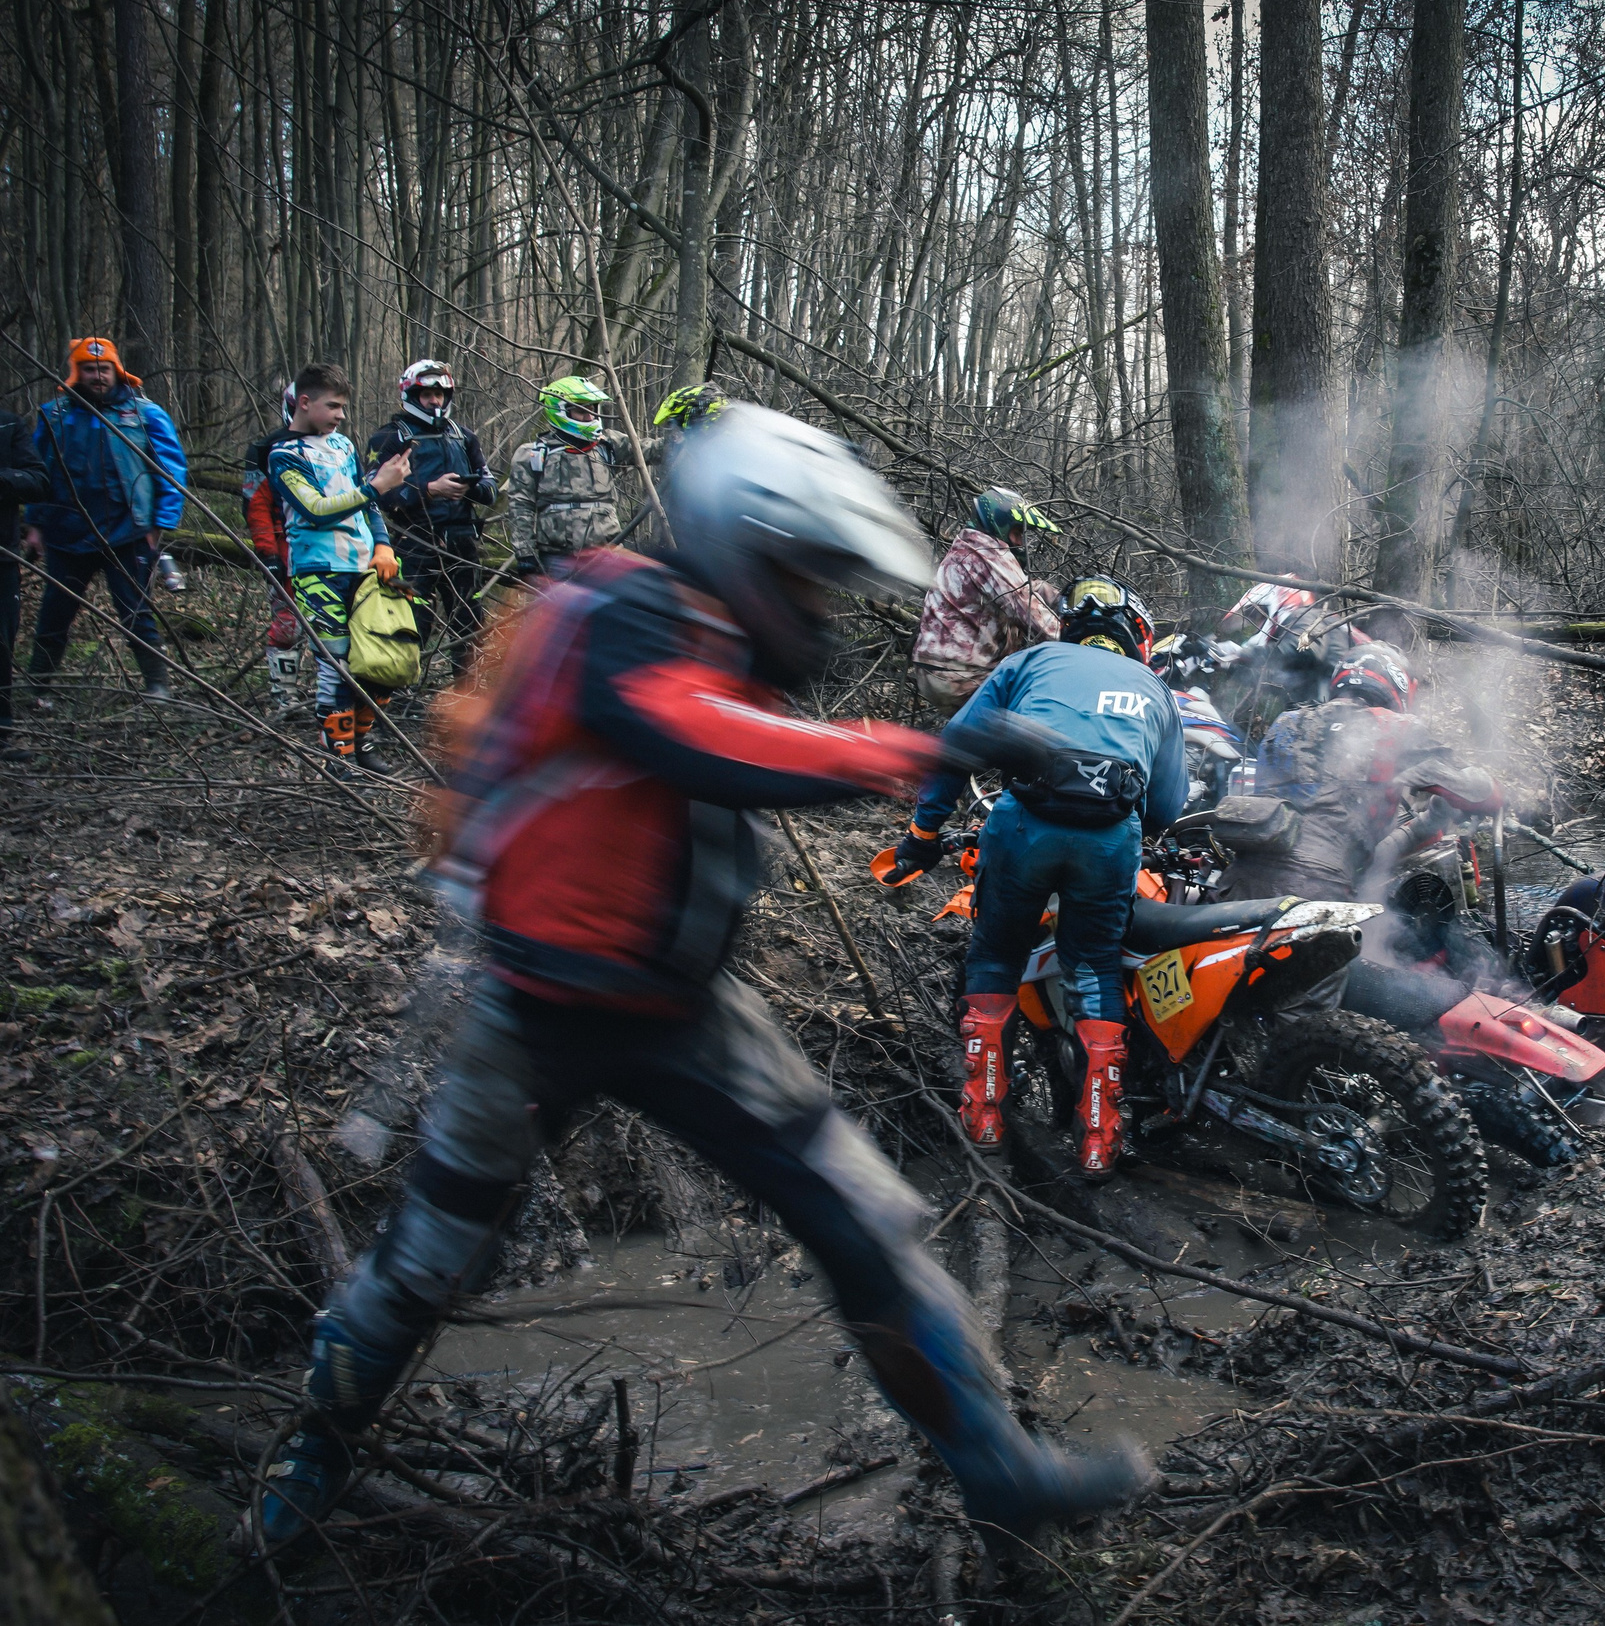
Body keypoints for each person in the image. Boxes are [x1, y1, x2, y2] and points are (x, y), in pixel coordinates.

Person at [256, 406, 1148, 1553]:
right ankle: (310, 1459)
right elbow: (691, 737)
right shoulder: (622, 611)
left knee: (868, 1225)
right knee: (431, 1259)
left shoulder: (706, 632)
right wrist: (938, 749)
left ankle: (996, 1471)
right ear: (742, 543)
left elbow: (722, 734)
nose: (813, 609)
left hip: (679, 1009)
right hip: (536, 1004)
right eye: (804, 578)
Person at [896, 576, 1184, 1171]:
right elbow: (1165, 809)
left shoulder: (1031, 660)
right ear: (1137, 640)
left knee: (996, 955)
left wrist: (923, 834)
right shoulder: (1156, 691)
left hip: (1024, 823)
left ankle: (983, 1114)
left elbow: (959, 742)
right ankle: (1101, 1137)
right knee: (1096, 966)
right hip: (1110, 838)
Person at [1226, 642, 1502, 911]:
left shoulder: (1285, 723)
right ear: (1397, 686)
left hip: (1235, 890)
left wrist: (1428, 822)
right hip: (1316, 897)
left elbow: (1329, 832)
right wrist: (1500, 795)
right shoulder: (1393, 726)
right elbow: (1478, 793)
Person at [24, 338, 186, 703]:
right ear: (77, 373)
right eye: (89, 369)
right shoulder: (54, 415)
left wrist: (159, 525)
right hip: (66, 533)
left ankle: (157, 685)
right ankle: (38, 686)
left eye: (104, 369)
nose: (97, 376)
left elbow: (171, 472)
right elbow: (38, 471)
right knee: (55, 614)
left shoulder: (145, 415)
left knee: (136, 612)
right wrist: (34, 524)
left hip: (127, 533)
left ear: (116, 371)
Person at [271, 363, 410, 774]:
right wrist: (376, 486)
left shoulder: (344, 447)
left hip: (365, 569)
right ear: (306, 402)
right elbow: (313, 510)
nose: (341, 416)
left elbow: (365, 503)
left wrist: (383, 545)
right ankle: (338, 755)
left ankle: (362, 743)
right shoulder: (284, 454)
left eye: (343, 407)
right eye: (333, 406)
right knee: (337, 665)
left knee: (381, 659)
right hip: (319, 571)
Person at [365, 361, 496, 683]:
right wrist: (429, 491)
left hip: (462, 541)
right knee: (411, 620)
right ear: (411, 394)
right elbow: (376, 494)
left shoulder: (463, 436)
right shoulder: (389, 438)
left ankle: (468, 693)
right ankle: (397, 690)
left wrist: (470, 488)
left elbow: (491, 487)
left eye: (440, 394)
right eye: (427, 395)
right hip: (414, 542)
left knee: (468, 619)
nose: (435, 401)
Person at [909, 486, 1061, 716]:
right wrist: (1080, 643)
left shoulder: (968, 548)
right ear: (1001, 525)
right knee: (1039, 720)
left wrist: (1065, 597)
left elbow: (1025, 587)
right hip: (962, 676)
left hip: (941, 670)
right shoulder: (989, 555)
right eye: (1017, 533)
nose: (1020, 543)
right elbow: (1033, 615)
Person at [505, 374, 628, 579]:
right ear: (560, 410)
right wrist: (525, 552)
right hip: (558, 558)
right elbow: (520, 505)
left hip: (608, 554)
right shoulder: (532, 454)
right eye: (581, 410)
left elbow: (652, 450)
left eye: (593, 409)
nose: (589, 417)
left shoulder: (609, 444)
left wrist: (687, 433)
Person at [243, 381, 306, 714]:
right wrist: (267, 553)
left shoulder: (338, 447)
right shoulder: (267, 449)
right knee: (287, 623)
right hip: (284, 549)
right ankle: (284, 695)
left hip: (327, 551)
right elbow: (255, 505)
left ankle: (335, 695)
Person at [0, 407, 44, 759]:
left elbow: (37, 481)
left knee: (2, 641)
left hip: (2, 555)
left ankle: (1, 733)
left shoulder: (8, 423)